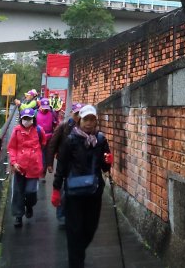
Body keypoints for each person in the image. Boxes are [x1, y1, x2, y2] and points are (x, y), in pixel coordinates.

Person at [51, 105, 113, 268]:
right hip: (74, 192)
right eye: (86, 119)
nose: (89, 123)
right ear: (80, 120)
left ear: (96, 121)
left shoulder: (100, 140)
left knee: (90, 228)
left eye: (92, 119)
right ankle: (76, 263)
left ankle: (78, 252)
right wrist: (56, 189)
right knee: (74, 230)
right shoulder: (71, 140)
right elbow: (62, 166)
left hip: (94, 192)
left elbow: (105, 167)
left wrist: (108, 162)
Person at [7, 108, 46, 227]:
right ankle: (18, 216)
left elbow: (43, 144)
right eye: (24, 118)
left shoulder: (39, 131)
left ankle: (29, 206)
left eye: (29, 118)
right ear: (21, 119)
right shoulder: (16, 131)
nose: (26, 121)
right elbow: (12, 147)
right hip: (19, 167)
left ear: (33, 119)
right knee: (18, 193)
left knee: (31, 192)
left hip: (33, 168)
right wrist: (14, 162)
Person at [46, 102, 83, 225]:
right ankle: (61, 215)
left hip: (78, 165)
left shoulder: (85, 128)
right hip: (64, 163)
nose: (79, 116)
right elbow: (52, 145)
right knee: (62, 190)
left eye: (81, 113)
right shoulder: (63, 126)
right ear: (72, 113)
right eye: (77, 113)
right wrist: (49, 163)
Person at [35, 98, 57, 180]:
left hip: (49, 137)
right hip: (38, 138)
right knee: (41, 155)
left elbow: (56, 124)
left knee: (49, 154)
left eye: (46, 108)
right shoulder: (36, 113)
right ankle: (40, 172)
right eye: (43, 107)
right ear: (40, 106)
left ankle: (45, 170)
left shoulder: (52, 113)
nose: (45, 109)